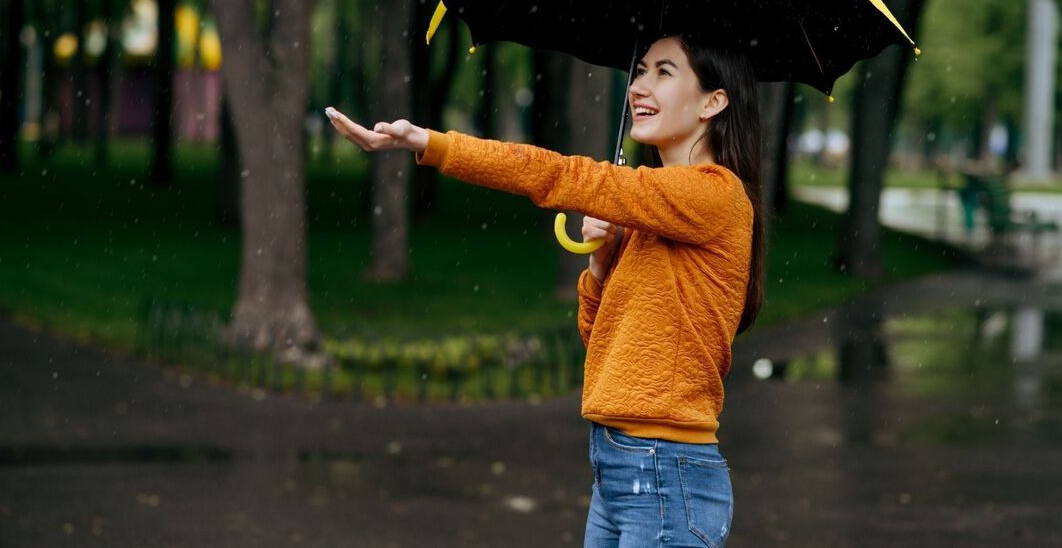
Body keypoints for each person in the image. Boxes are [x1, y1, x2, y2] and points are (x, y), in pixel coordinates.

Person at [327, 34, 766, 548]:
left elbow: (559, 175)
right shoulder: (653, 208)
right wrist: (601, 264)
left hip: (666, 475)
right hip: (621, 469)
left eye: (664, 73)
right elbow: (600, 343)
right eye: (640, 69)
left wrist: (433, 144)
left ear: (714, 102)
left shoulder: (714, 195)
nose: (639, 87)